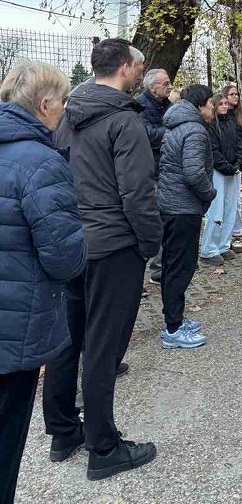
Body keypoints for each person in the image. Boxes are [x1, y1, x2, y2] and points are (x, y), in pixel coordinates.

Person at [42, 38, 161, 481]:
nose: (140, 71)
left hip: (75, 242)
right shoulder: (124, 122)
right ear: (127, 69)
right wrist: (150, 244)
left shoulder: (67, 118)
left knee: (69, 338)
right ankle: (103, 447)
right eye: (140, 66)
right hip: (113, 246)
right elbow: (137, 194)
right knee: (103, 347)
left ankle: (62, 431)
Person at [0, 64, 87, 504]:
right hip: (15, 333)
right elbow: (65, 259)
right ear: (45, 106)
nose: (65, 111)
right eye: (64, 102)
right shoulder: (41, 162)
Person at [158, 85, 216, 349]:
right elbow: (194, 173)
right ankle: (173, 329)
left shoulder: (174, 124)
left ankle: (175, 318)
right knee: (181, 267)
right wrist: (210, 193)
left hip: (170, 205)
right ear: (201, 105)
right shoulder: (194, 129)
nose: (214, 108)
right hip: (183, 208)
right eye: (211, 104)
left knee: (172, 264)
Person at [136, 68, 172, 284]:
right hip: (150, 171)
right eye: (165, 83)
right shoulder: (140, 105)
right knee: (154, 221)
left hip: (166, 169)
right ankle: (154, 269)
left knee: (167, 219)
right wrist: (172, 133)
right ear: (152, 87)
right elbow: (146, 135)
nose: (170, 86)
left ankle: (163, 265)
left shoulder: (167, 105)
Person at [199, 93, 242, 267]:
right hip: (218, 171)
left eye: (226, 103)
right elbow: (213, 151)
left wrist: (237, 163)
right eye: (221, 103)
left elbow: (239, 145)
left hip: (232, 170)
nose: (225, 106)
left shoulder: (231, 123)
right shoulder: (210, 126)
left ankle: (224, 244)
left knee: (230, 207)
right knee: (216, 210)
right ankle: (208, 248)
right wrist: (227, 167)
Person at [222, 83, 242, 254]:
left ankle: (237, 234)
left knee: (236, 201)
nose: (236, 97)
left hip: (236, 162)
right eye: (232, 94)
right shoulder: (221, 115)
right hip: (222, 162)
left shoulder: (241, 116)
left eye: (237, 94)